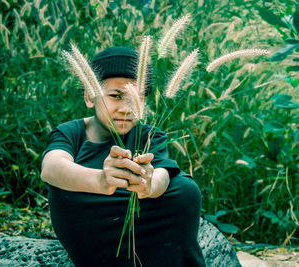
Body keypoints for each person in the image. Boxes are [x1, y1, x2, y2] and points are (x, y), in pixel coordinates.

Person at [41, 46, 206, 267]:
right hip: (92, 225)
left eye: (136, 98)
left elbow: (162, 173)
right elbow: (51, 167)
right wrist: (101, 180)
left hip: (141, 225)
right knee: (63, 190)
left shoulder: (148, 135)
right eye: (116, 96)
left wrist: (148, 185)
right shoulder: (72, 132)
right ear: (90, 97)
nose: (127, 108)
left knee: (185, 190)